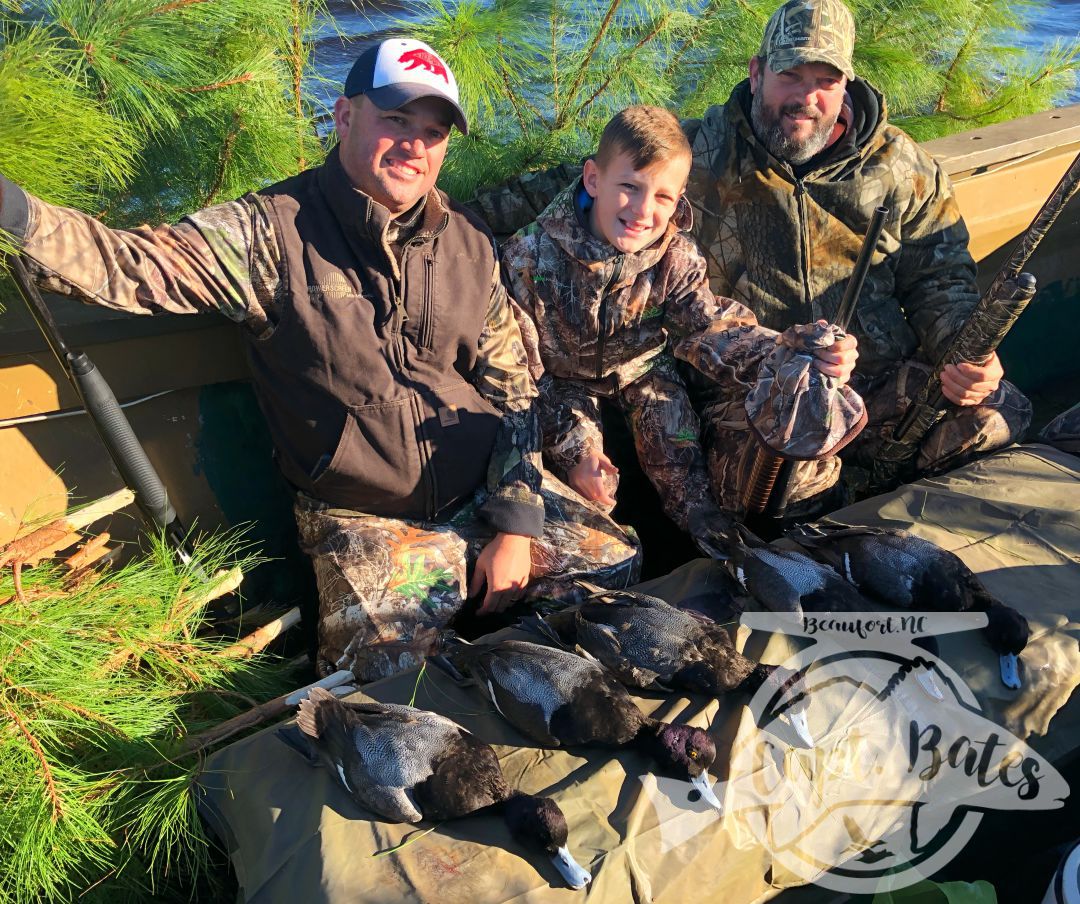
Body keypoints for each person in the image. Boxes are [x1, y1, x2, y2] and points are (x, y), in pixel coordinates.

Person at [0, 39, 640, 682]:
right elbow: (129, 266)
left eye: (434, 131)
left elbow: (514, 390)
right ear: (343, 117)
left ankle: (513, 677)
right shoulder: (271, 232)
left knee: (614, 565)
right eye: (396, 120)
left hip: (480, 492)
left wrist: (516, 525)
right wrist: (17, 212)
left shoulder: (467, 244)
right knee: (384, 678)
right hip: (371, 520)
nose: (416, 146)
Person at [469, 0, 1032, 492]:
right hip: (755, 384)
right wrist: (442, 219)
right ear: (757, 72)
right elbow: (563, 186)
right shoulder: (700, 150)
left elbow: (942, 280)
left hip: (877, 374)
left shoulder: (903, 165)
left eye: (825, 80)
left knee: (995, 416)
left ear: (847, 85)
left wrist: (964, 354)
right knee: (786, 474)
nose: (806, 98)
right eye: (791, 75)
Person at [500, 105, 860, 535]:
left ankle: (705, 531)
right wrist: (577, 452)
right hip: (562, 383)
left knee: (675, 444)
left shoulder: (675, 255)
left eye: (663, 197)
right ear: (593, 179)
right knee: (588, 476)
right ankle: (606, 541)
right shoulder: (528, 257)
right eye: (629, 187)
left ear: (679, 200)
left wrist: (790, 352)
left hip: (644, 371)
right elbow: (525, 372)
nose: (642, 210)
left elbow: (710, 327)